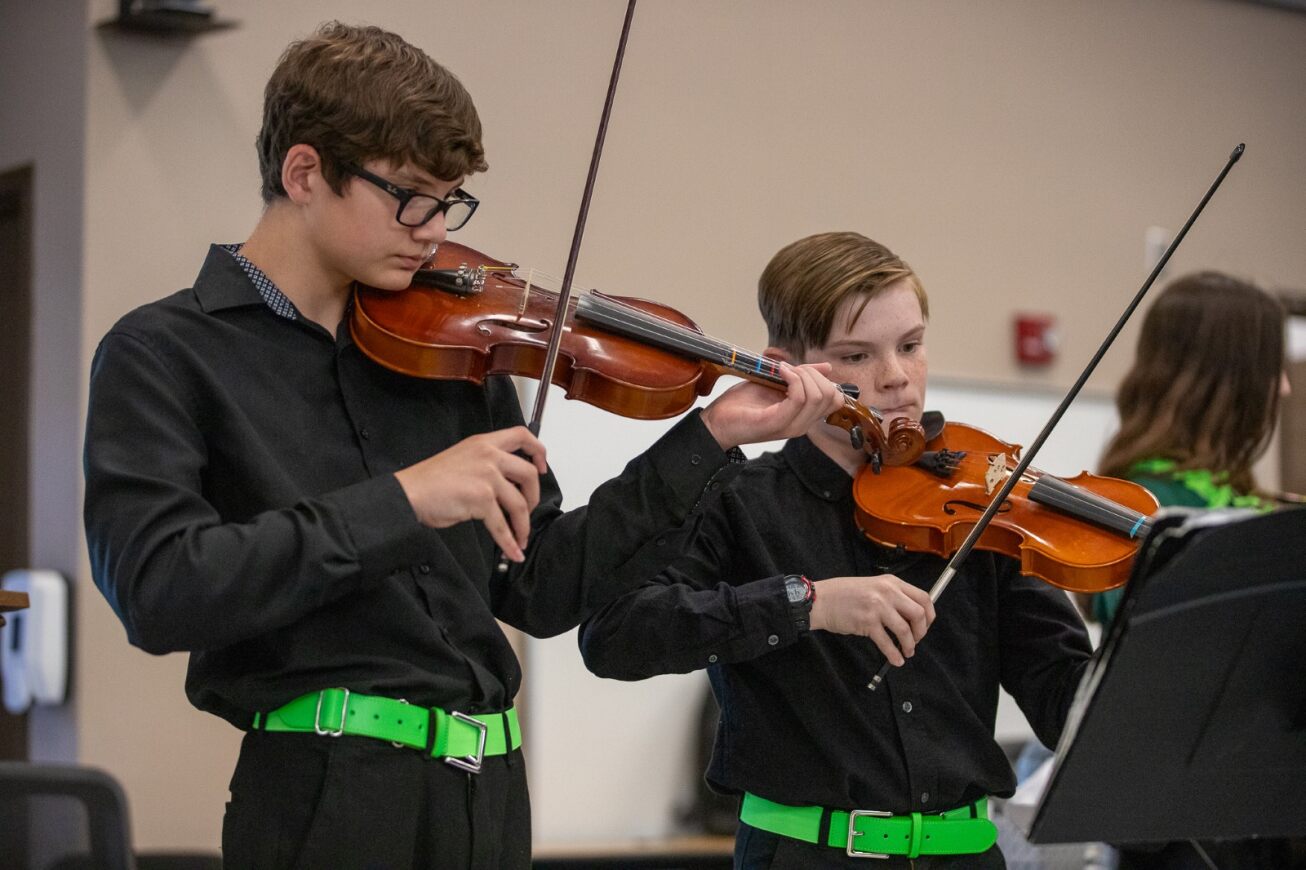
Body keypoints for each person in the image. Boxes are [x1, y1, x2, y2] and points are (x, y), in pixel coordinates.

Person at [81, 22, 846, 870]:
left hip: (488, 794)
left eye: (450, 201)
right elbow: (157, 590)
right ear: (305, 173)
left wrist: (707, 437)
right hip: (328, 794)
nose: (435, 231)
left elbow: (542, 588)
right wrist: (405, 501)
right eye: (409, 196)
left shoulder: (451, 347)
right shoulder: (164, 352)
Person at [579, 231, 1094, 868]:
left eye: (911, 345)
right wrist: (808, 603)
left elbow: (1062, 696)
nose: (896, 378)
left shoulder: (980, 504)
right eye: (857, 356)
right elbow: (616, 634)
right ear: (788, 366)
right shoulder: (736, 500)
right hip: (806, 855)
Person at [1082, 271, 1295, 870]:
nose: (1280, 388)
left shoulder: (1252, 505)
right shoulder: (1142, 503)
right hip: (1186, 829)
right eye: (1268, 368)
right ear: (1225, 382)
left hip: (1264, 810)